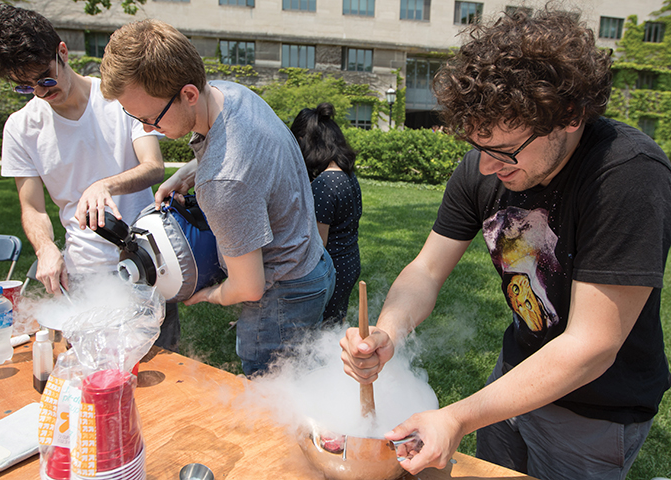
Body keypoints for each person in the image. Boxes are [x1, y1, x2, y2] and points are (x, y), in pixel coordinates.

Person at [340, 9, 671, 480]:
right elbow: (426, 270)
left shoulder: (627, 175)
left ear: (570, 115)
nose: (490, 168)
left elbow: (592, 345)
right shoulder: (485, 164)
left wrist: (457, 417)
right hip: (513, 379)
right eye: (481, 148)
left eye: (505, 152)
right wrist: (388, 332)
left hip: (596, 410)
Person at [99, 19, 335, 376]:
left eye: (151, 118)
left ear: (188, 94)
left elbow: (249, 286)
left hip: (282, 297)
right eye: (135, 118)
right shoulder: (232, 95)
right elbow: (237, 159)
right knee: (302, 381)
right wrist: (185, 173)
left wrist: (207, 294)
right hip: (312, 261)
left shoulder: (222, 183)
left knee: (272, 403)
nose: (148, 129)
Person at [0, 4, 180, 350]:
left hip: (147, 261)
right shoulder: (21, 128)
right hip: (83, 272)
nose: (41, 92)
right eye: (25, 87)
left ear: (62, 52)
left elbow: (153, 167)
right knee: (91, 374)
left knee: (160, 371)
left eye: (45, 78)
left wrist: (105, 184)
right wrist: (44, 249)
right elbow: (32, 208)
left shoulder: (120, 100)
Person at [291, 103, 362, 325]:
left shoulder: (325, 183)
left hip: (332, 270)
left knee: (319, 330)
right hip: (350, 261)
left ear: (304, 140)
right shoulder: (345, 174)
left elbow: (318, 245)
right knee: (334, 325)